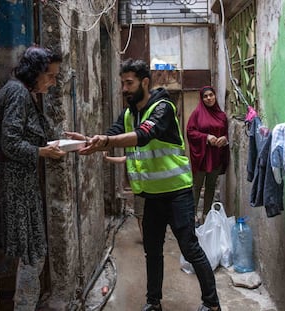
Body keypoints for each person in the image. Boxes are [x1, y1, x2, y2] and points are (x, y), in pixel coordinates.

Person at [66, 59, 221, 311]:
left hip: (177, 193)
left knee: (190, 249)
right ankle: (153, 302)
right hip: (152, 196)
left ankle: (212, 304)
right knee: (152, 251)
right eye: (123, 83)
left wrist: (105, 140)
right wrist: (87, 140)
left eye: (130, 83)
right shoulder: (129, 114)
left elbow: (143, 135)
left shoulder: (163, 108)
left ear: (145, 82)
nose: (125, 89)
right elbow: (112, 134)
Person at [0, 46, 66, 310]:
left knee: (30, 254)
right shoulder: (17, 93)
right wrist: (42, 151)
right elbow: (9, 142)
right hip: (16, 190)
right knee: (31, 255)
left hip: (22, 188)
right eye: (50, 75)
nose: (53, 81)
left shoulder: (25, 93)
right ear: (35, 72)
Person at [186, 86, 229, 224]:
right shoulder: (197, 114)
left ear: (215, 96)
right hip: (202, 157)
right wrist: (206, 137)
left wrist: (224, 139)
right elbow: (190, 131)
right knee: (197, 186)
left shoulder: (222, 116)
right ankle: (192, 215)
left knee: (211, 186)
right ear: (202, 99)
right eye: (205, 96)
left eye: (211, 95)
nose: (209, 98)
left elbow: (225, 133)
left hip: (216, 155)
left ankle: (206, 214)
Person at [102, 151, 144, 240]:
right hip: (140, 190)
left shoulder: (145, 154)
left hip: (149, 189)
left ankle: (150, 239)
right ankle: (146, 239)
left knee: (146, 216)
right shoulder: (135, 155)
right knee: (141, 216)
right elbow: (122, 159)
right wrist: (106, 159)